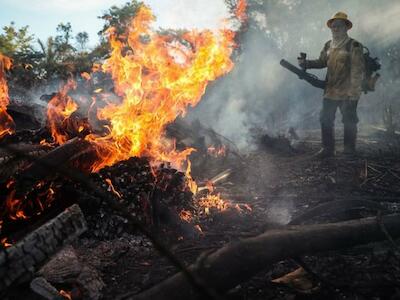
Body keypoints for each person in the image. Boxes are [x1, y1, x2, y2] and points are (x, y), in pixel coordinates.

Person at [298, 12, 365, 157]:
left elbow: (357, 71)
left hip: (348, 92)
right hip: (330, 91)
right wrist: (307, 64)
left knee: (349, 120)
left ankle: (349, 149)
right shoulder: (328, 45)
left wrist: (354, 93)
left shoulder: (354, 46)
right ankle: (327, 149)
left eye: (339, 26)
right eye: (333, 26)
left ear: (346, 27)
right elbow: (322, 62)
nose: (335, 29)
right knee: (325, 119)